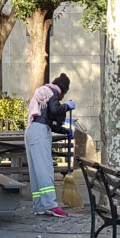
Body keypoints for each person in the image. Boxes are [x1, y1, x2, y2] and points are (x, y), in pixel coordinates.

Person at [25, 74, 75, 218]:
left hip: (31, 131)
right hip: (39, 133)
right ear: (64, 90)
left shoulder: (43, 93)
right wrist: (67, 106)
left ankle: (39, 205)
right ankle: (51, 205)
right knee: (45, 168)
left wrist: (65, 131)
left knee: (35, 170)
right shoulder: (54, 92)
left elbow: (48, 120)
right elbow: (54, 110)